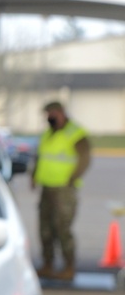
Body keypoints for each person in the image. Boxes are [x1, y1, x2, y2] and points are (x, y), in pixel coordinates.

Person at [31, 101, 91, 280]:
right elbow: (41, 157)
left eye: (51, 113)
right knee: (45, 228)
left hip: (64, 190)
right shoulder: (48, 134)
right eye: (47, 114)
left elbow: (85, 159)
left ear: (61, 113)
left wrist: (72, 179)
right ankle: (48, 265)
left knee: (63, 229)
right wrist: (34, 176)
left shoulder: (75, 133)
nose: (48, 117)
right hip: (46, 188)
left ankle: (68, 267)